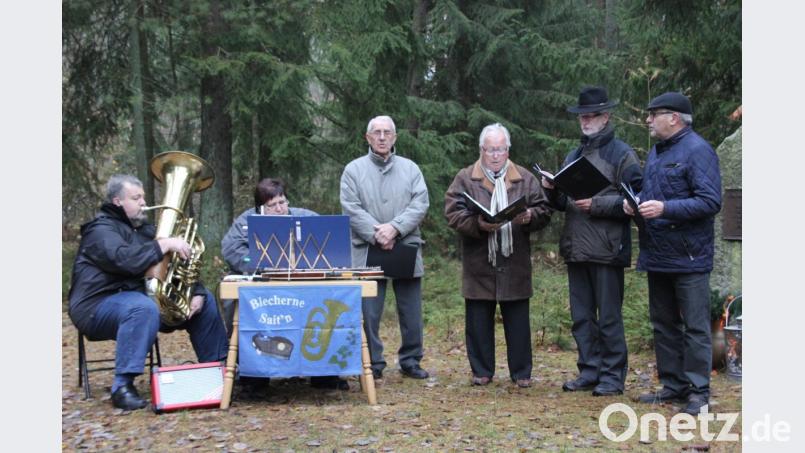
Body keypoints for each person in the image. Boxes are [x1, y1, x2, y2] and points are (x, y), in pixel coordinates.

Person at [68, 174, 229, 410]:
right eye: (136, 197)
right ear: (117, 201)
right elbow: (123, 260)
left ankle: (219, 372)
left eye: (143, 196)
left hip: (143, 302)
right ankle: (122, 387)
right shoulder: (100, 231)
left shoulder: (145, 232)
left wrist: (197, 292)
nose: (144, 202)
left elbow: (177, 268)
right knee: (141, 308)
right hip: (96, 305)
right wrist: (163, 244)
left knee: (203, 301)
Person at [538, 86, 643, 397]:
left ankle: (612, 376)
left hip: (608, 249)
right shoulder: (574, 154)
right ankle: (589, 370)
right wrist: (551, 189)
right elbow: (563, 203)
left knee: (609, 317)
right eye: (582, 115)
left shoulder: (622, 154)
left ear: (606, 116)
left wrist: (597, 205)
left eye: (592, 115)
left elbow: (636, 201)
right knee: (581, 317)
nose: (585, 120)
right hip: (576, 247)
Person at [623, 92, 721, 415]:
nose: (649, 120)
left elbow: (710, 201)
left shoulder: (698, 150)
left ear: (675, 118)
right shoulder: (656, 153)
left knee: (694, 325)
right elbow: (654, 193)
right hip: (658, 253)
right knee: (663, 323)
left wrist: (665, 208)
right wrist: (634, 202)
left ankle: (699, 393)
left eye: (655, 114)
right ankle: (674, 386)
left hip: (690, 256)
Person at [444, 123, 551, 388]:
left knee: (518, 320)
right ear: (482, 150)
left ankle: (521, 373)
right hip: (479, 260)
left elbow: (544, 210)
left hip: (515, 260)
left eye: (501, 149)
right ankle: (481, 371)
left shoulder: (524, 178)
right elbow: (453, 213)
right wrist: (478, 224)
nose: (495, 155)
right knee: (478, 319)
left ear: (507, 150)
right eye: (490, 149)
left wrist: (529, 217)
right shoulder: (465, 178)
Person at [220, 177, 348, 390]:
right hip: (264, 285)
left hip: (301, 285)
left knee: (325, 301)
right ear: (261, 207)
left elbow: (328, 246)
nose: (280, 208)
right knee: (243, 308)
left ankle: (324, 373)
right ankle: (255, 376)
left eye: (283, 202)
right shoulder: (247, 220)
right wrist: (260, 263)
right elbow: (230, 249)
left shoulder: (306, 217)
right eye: (272, 205)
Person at [340, 115, 430, 380]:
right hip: (368, 247)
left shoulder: (411, 168)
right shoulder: (353, 170)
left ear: (394, 137)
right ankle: (373, 361)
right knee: (369, 310)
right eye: (376, 132)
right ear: (368, 138)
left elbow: (420, 203)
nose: (381, 137)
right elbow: (350, 207)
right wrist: (377, 233)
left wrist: (395, 228)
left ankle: (411, 360)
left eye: (387, 132)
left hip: (405, 245)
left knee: (411, 310)